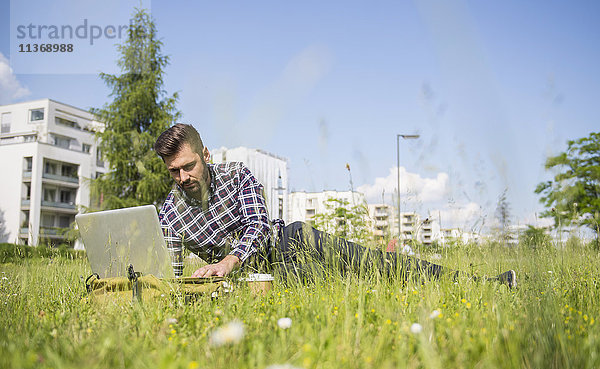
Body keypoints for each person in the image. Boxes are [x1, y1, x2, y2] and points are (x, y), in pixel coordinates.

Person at [154, 123, 517, 288]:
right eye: (175, 171)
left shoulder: (237, 175)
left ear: (205, 155)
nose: (183, 177)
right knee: (341, 286)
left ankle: (486, 283)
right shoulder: (170, 214)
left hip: (289, 242)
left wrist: (228, 261)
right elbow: (167, 272)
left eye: (189, 166)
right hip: (258, 280)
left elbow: (258, 227)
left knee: (377, 264)